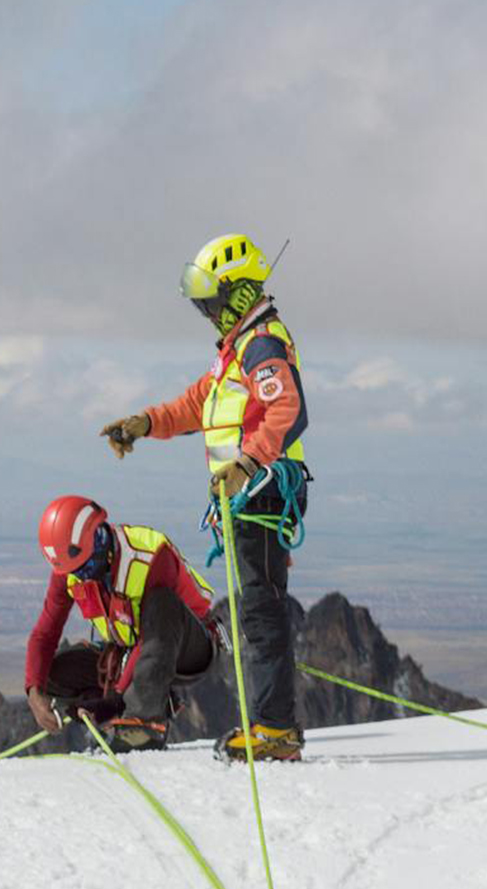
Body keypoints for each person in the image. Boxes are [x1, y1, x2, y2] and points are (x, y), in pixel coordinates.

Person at [99, 234, 312, 762]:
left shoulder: (261, 344)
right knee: (255, 606)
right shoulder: (237, 351)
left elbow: (288, 409)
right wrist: (145, 423)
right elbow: (197, 405)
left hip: (261, 493)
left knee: (260, 608)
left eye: (212, 301)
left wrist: (247, 462)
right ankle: (271, 725)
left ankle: (275, 730)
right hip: (246, 497)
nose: (207, 313)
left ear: (237, 294)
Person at [24, 495, 221, 752]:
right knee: (50, 673)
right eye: (74, 572)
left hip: (189, 647)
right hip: (130, 653)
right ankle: (129, 706)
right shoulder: (69, 568)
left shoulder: (150, 555)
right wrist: (34, 692)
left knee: (162, 603)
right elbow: (45, 633)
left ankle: (142, 725)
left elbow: (150, 639)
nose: (81, 577)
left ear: (98, 540)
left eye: (84, 568)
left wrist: (115, 699)